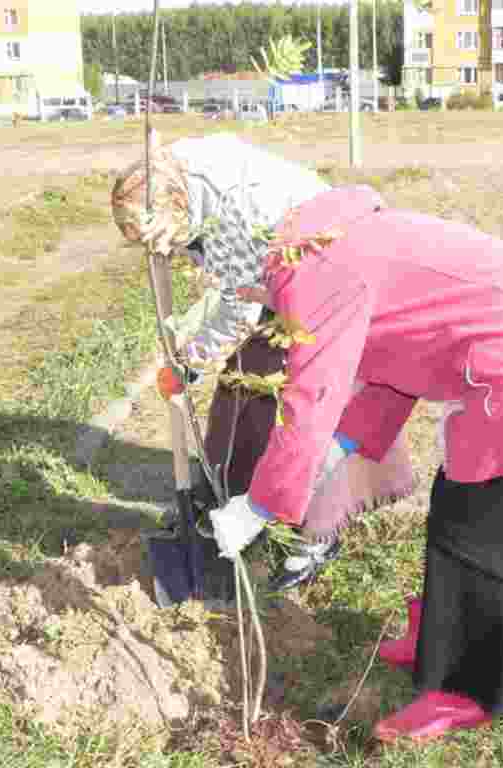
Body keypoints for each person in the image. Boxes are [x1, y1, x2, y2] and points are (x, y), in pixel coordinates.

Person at [201, 183, 503, 742]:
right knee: (465, 510)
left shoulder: (312, 274)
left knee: (483, 529)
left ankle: (466, 688)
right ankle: (441, 637)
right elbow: (400, 352)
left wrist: (259, 505)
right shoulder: (336, 240)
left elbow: (310, 398)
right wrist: (346, 444)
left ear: (257, 260)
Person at [111, 132, 417, 590]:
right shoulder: (171, 170)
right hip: (278, 267)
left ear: (180, 204)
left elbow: (239, 310)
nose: (166, 250)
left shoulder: (235, 209)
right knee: (243, 383)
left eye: (166, 239)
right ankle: (224, 501)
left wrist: (189, 362)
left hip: (323, 265)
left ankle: (316, 531)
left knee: (308, 400)